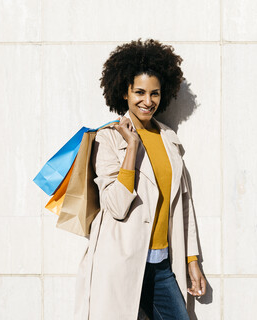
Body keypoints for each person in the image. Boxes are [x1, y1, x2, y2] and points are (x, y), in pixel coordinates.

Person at [74, 39, 206, 320]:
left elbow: (183, 204)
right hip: (120, 264)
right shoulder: (107, 138)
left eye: (155, 93)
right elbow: (116, 206)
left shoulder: (169, 139)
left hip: (161, 268)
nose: (148, 101)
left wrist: (192, 260)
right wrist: (131, 147)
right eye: (139, 92)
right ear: (124, 92)